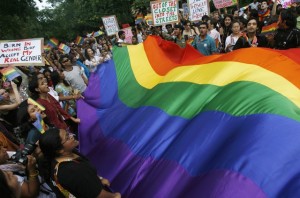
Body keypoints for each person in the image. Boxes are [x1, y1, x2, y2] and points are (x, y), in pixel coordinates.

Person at [39, 127, 121, 198]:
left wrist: (100, 179)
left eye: (68, 133)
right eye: (67, 137)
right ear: (60, 150)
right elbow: (98, 195)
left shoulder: (64, 155)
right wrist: (115, 196)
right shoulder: (74, 171)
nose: (72, 135)